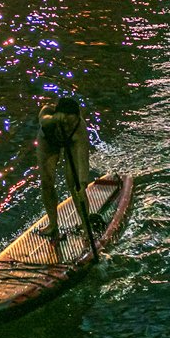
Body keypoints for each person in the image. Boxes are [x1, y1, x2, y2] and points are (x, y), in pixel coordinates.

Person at [36, 97, 101, 240]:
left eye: (72, 122)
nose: (69, 126)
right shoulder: (48, 116)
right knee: (47, 181)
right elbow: (44, 119)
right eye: (66, 123)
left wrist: (83, 184)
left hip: (71, 142)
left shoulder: (79, 129)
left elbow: (83, 161)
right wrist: (56, 120)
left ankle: (85, 226)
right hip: (49, 140)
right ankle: (53, 225)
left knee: (75, 183)